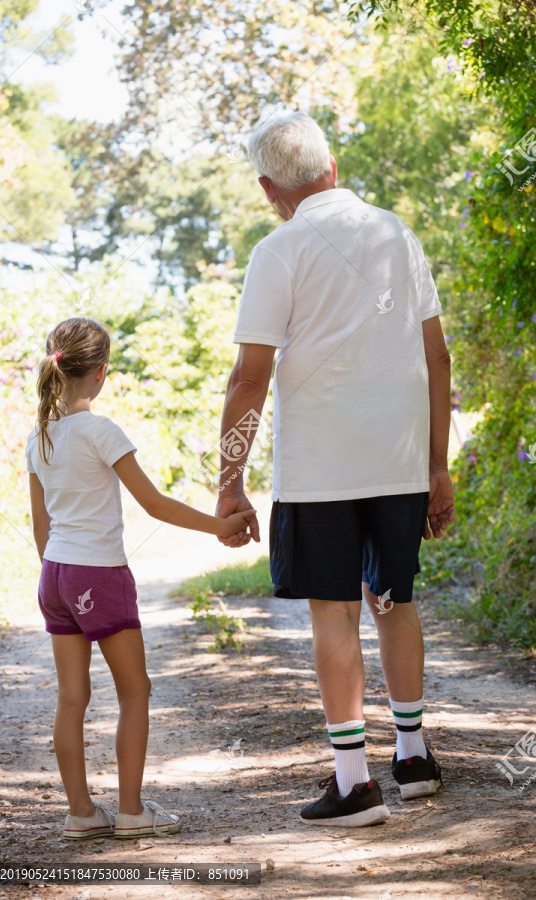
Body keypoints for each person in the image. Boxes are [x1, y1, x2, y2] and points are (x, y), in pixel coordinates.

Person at [214, 112, 454, 827]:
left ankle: (353, 783)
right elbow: (436, 357)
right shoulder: (397, 234)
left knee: (336, 612)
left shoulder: (278, 250)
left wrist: (231, 479)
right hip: (400, 459)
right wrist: (438, 466)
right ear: (333, 164)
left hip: (322, 468)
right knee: (394, 602)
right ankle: (412, 758)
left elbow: (248, 380)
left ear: (267, 188)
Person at [26, 317, 256, 840]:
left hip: (55, 574)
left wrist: (61, 578)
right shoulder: (102, 430)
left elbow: (42, 530)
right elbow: (153, 503)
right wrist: (221, 525)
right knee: (135, 691)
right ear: (102, 373)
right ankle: (131, 811)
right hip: (98, 574)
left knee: (71, 699)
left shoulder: (38, 438)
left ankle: (81, 813)